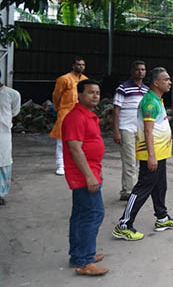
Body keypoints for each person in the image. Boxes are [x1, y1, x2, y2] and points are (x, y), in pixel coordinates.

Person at [112, 67, 173, 241]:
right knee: (142, 188)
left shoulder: (158, 99)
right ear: (156, 83)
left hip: (160, 153)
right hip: (152, 154)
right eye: (166, 79)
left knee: (160, 186)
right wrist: (151, 156)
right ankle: (124, 224)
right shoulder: (150, 102)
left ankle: (162, 218)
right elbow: (148, 131)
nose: (169, 82)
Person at [62, 79, 108, 276]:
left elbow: (90, 146)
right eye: (90, 92)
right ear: (79, 95)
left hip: (89, 172)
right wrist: (89, 176)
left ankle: (78, 254)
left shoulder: (88, 115)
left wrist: (97, 171)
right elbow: (75, 149)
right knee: (93, 214)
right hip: (81, 175)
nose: (95, 96)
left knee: (81, 214)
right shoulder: (75, 117)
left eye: (97, 93)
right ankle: (85, 261)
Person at [112, 61, 148, 201]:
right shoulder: (123, 88)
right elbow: (116, 111)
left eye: (143, 69)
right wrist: (116, 130)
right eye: (137, 69)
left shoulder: (146, 90)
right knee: (130, 161)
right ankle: (128, 192)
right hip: (126, 128)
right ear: (132, 71)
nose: (140, 72)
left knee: (138, 161)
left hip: (140, 130)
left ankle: (131, 190)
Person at [50, 57, 87, 175]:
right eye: (78, 64)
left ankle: (76, 164)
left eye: (82, 65)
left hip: (81, 114)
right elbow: (56, 96)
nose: (80, 67)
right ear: (73, 65)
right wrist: (60, 109)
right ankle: (61, 164)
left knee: (80, 140)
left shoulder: (86, 80)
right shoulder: (64, 79)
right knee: (61, 141)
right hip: (65, 112)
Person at [0, 69, 21, 206]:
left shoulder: (12, 94)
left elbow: (15, 111)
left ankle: (1, 193)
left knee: (3, 162)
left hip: (3, 133)